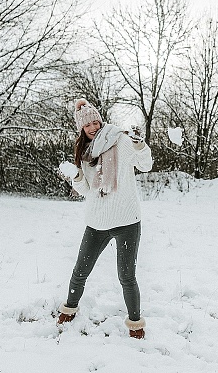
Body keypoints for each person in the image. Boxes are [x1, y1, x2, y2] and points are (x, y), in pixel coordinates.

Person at [56, 98, 153, 339]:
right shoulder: (84, 151)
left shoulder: (120, 140)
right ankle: (69, 309)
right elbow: (86, 189)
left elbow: (146, 165)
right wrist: (76, 177)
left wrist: (140, 145)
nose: (92, 127)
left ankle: (136, 324)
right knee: (80, 271)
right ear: (81, 127)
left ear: (101, 121)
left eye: (95, 122)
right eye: (87, 124)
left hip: (127, 220)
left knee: (126, 276)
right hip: (97, 222)